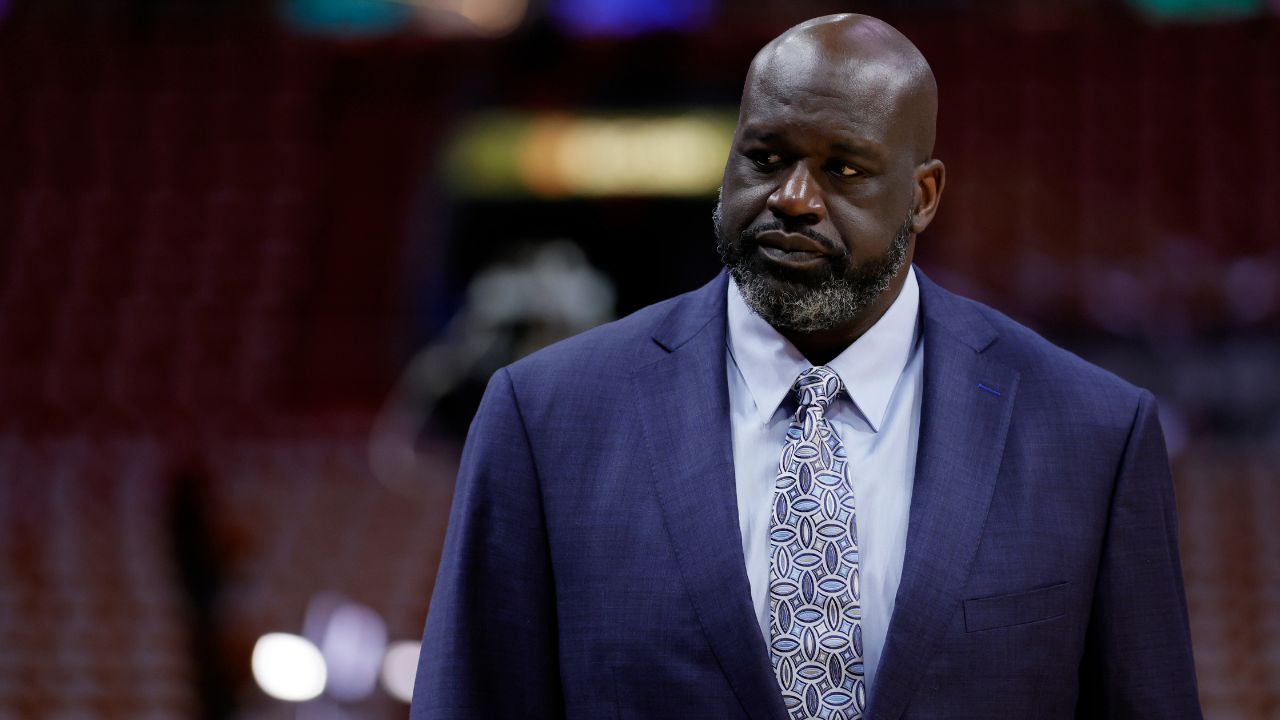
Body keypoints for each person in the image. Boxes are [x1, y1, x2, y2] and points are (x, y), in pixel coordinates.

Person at [411, 13, 1202, 720]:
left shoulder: (1092, 435)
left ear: (923, 195)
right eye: (766, 156)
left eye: (844, 169)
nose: (793, 196)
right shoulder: (546, 415)